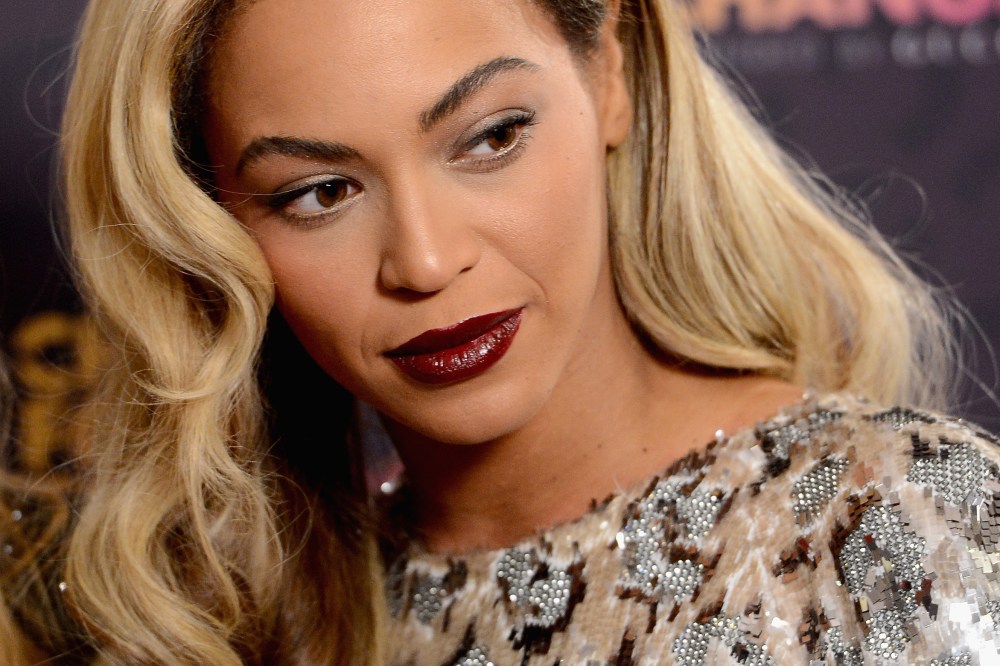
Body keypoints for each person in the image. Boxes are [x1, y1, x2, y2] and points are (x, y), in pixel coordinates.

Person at [2, 0, 997, 663]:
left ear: (607, 71)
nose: (426, 263)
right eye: (321, 192)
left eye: (488, 137)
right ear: (210, 225)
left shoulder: (904, 518)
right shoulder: (254, 621)